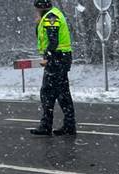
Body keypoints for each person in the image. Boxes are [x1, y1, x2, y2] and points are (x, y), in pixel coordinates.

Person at [30, 0, 77, 136]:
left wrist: (48, 57)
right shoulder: (51, 15)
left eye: (36, 9)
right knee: (61, 94)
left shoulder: (51, 17)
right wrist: (38, 23)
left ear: (40, 7)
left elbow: (53, 40)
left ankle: (47, 125)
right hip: (60, 58)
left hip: (57, 59)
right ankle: (68, 125)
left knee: (48, 93)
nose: (35, 11)